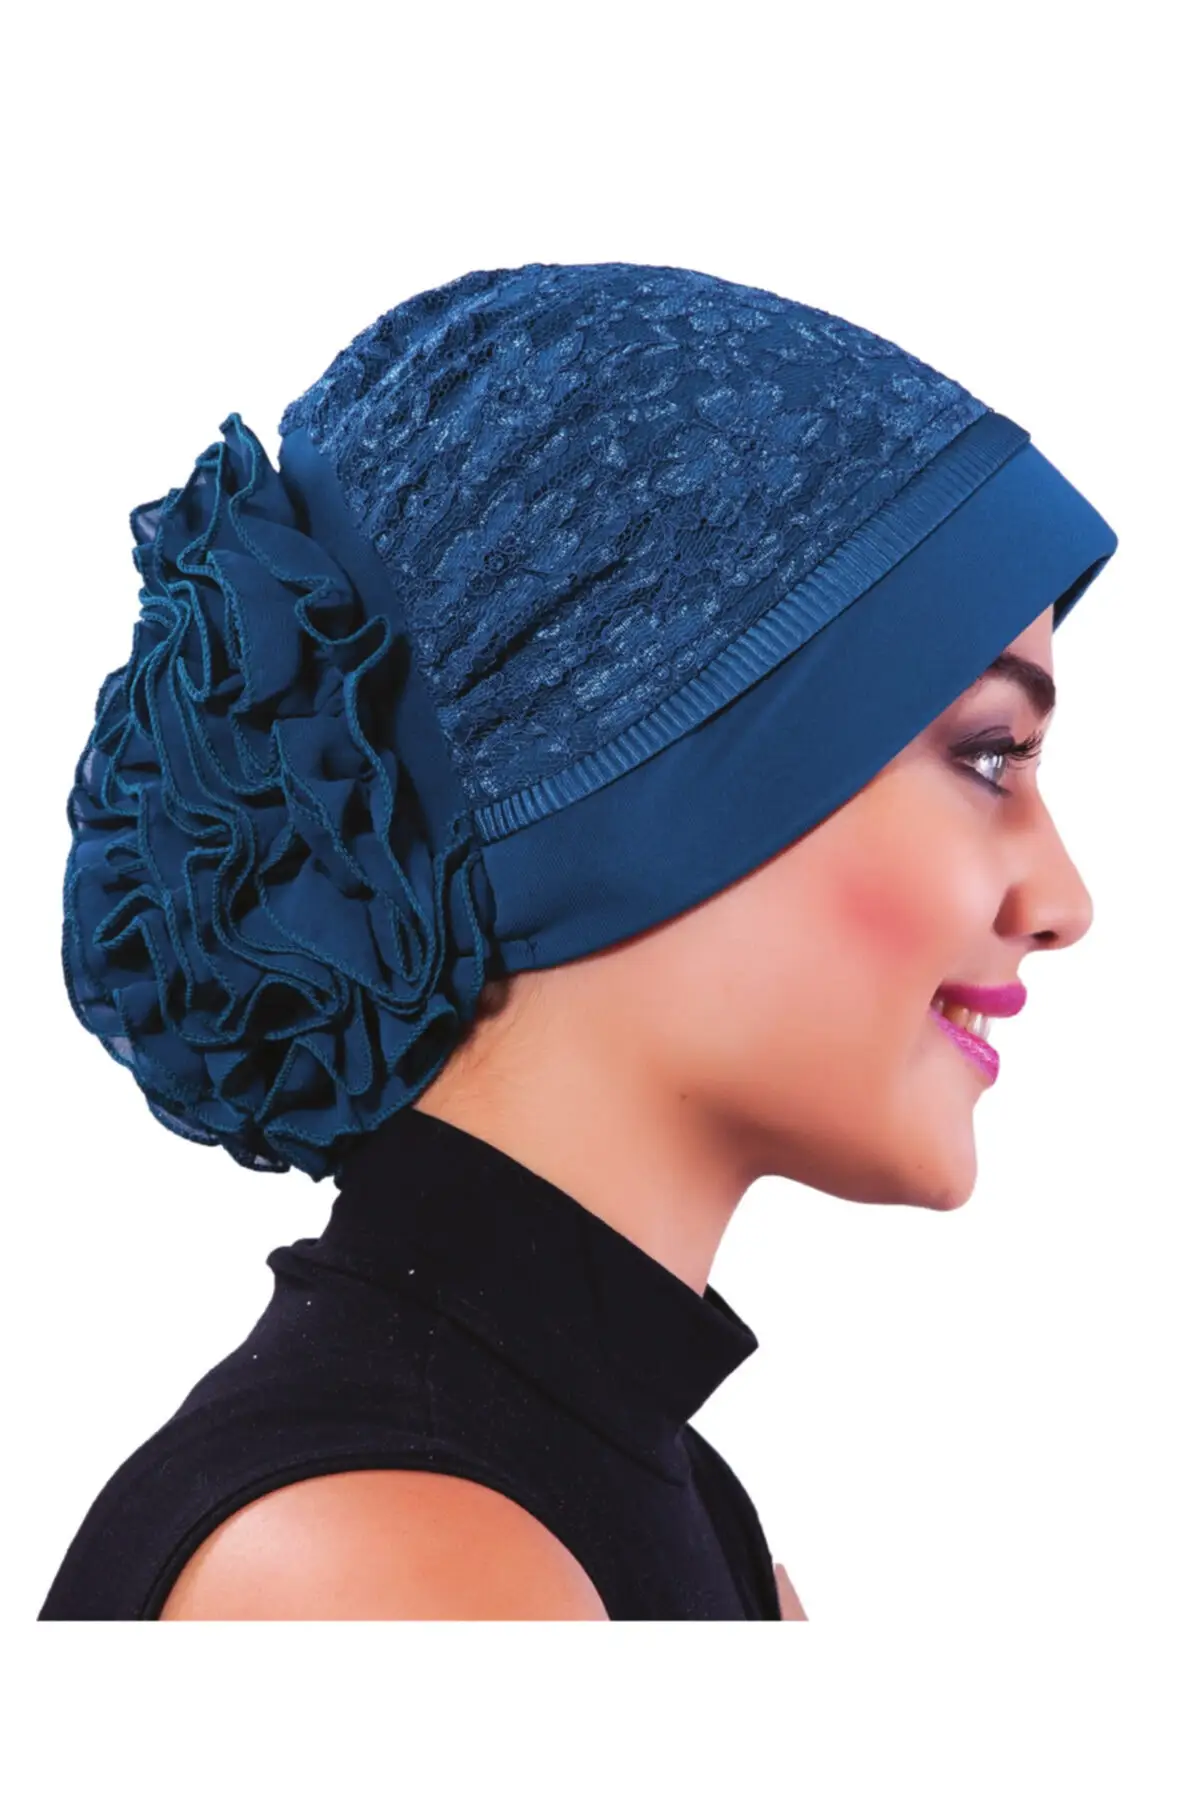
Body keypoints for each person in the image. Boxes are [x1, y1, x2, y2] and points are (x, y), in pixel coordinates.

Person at [38, 262, 1117, 1620]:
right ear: (647, 784)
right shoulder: (402, 1567)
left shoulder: (634, 1503)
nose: (1064, 900)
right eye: (990, 755)